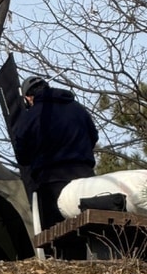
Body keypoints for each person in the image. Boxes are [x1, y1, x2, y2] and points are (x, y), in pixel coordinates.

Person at [13, 75, 98, 230]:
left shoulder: (29, 118)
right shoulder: (77, 108)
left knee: (57, 234)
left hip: (50, 183)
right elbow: (93, 136)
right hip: (86, 177)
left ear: (28, 98)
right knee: (92, 227)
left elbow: (22, 156)